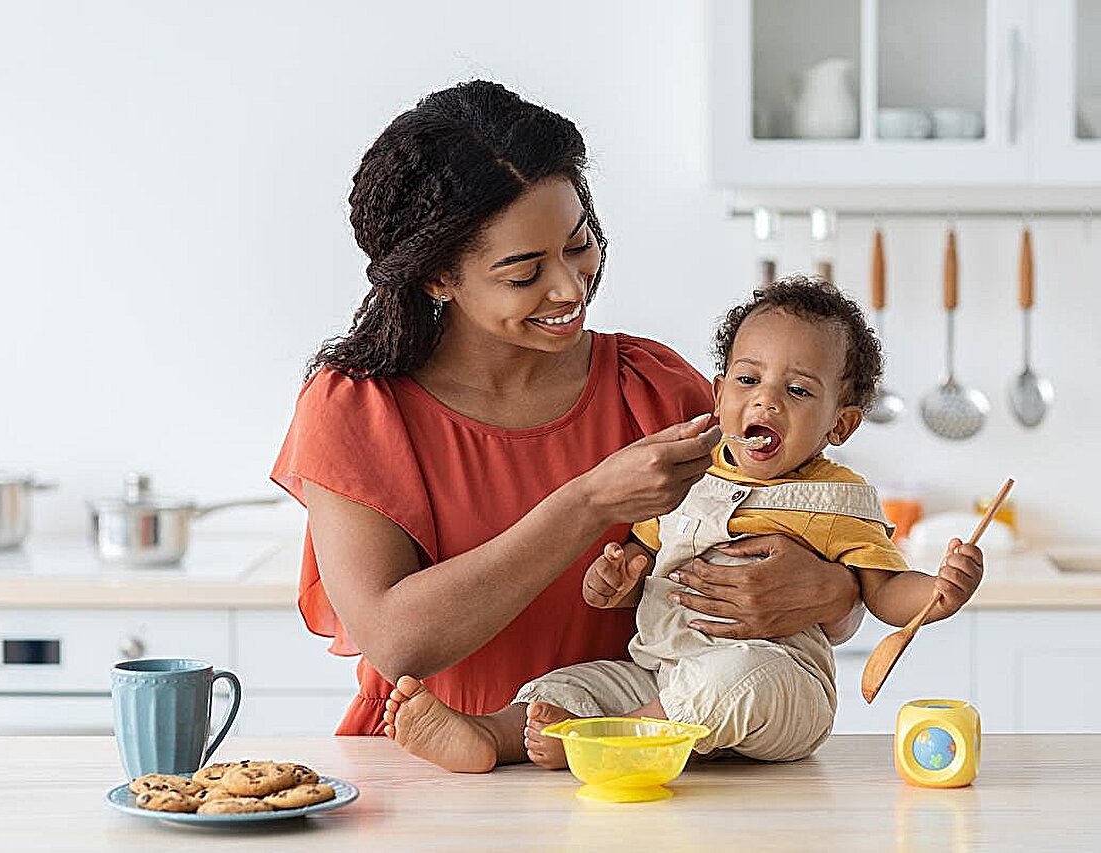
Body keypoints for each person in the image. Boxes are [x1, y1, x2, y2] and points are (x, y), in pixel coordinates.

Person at [270, 81, 866, 743]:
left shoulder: (653, 386)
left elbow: (801, 550)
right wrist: (588, 502)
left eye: (579, 245)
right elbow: (395, 640)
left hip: (628, 773)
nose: (569, 287)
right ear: (437, 277)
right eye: (524, 273)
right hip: (428, 777)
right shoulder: (358, 408)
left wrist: (834, 592)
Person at [384, 276, 985, 770]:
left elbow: (882, 597)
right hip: (656, 671)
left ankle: (613, 743)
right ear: (719, 394)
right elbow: (632, 573)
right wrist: (610, 582)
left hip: (780, 683)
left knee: (738, 677)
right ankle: (494, 735)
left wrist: (939, 591)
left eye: (798, 390)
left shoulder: (837, 499)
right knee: (569, 686)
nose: (766, 401)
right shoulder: (685, 473)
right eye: (748, 380)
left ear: (841, 424)